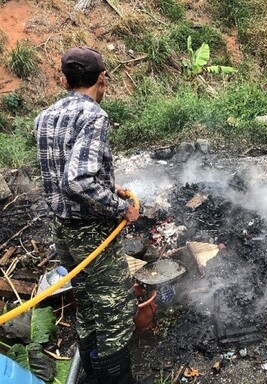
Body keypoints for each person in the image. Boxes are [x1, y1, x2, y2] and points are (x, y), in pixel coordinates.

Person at [34, 46, 140, 384]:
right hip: (90, 230)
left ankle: (92, 375)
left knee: (88, 301)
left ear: (65, 80)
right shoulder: (94, 115)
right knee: (117, 311)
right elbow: (77, 180)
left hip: (62, 229)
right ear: (102, 77)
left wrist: (109, 185)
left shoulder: (45, 117)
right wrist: (121, 207)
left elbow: (66, 171)